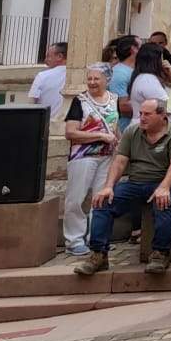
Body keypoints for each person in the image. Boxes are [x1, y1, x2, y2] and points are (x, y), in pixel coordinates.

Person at [73, 98, 171, 276]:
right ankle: (98, 254)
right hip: (136, 182)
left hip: (163, 180)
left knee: (164, 203)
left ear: (162, 116)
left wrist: (165, 187)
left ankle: (160, 253)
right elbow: (120, 161)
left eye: (147, 114)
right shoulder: (132, 131)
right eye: (141, 114)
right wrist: (108, 186)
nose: (142, 118)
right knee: (103, 202)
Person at [60, 64, 119, 258]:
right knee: (76, 198)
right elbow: (70, 132)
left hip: (107, 156)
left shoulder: (114, 100)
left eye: (97, 79)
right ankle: (74, 239)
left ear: (107, 80)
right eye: (90, 78)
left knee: (101, 199)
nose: (93, 82)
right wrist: (100, 137)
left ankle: (97, 238)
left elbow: (115, 127)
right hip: (83, 156)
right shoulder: (80, 101)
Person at [127, 42, 171, 123]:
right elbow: (169, 106)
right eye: (161, 58)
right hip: (146, 129)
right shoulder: (148, 80)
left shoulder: (145, 78)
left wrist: (170, 77)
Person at [29, 41, 69, 113]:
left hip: (47, 122)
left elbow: (31, 103)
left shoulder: (42, 76)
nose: (45, 60)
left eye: (48, 56)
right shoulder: (80, 76)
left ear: (59, 57)